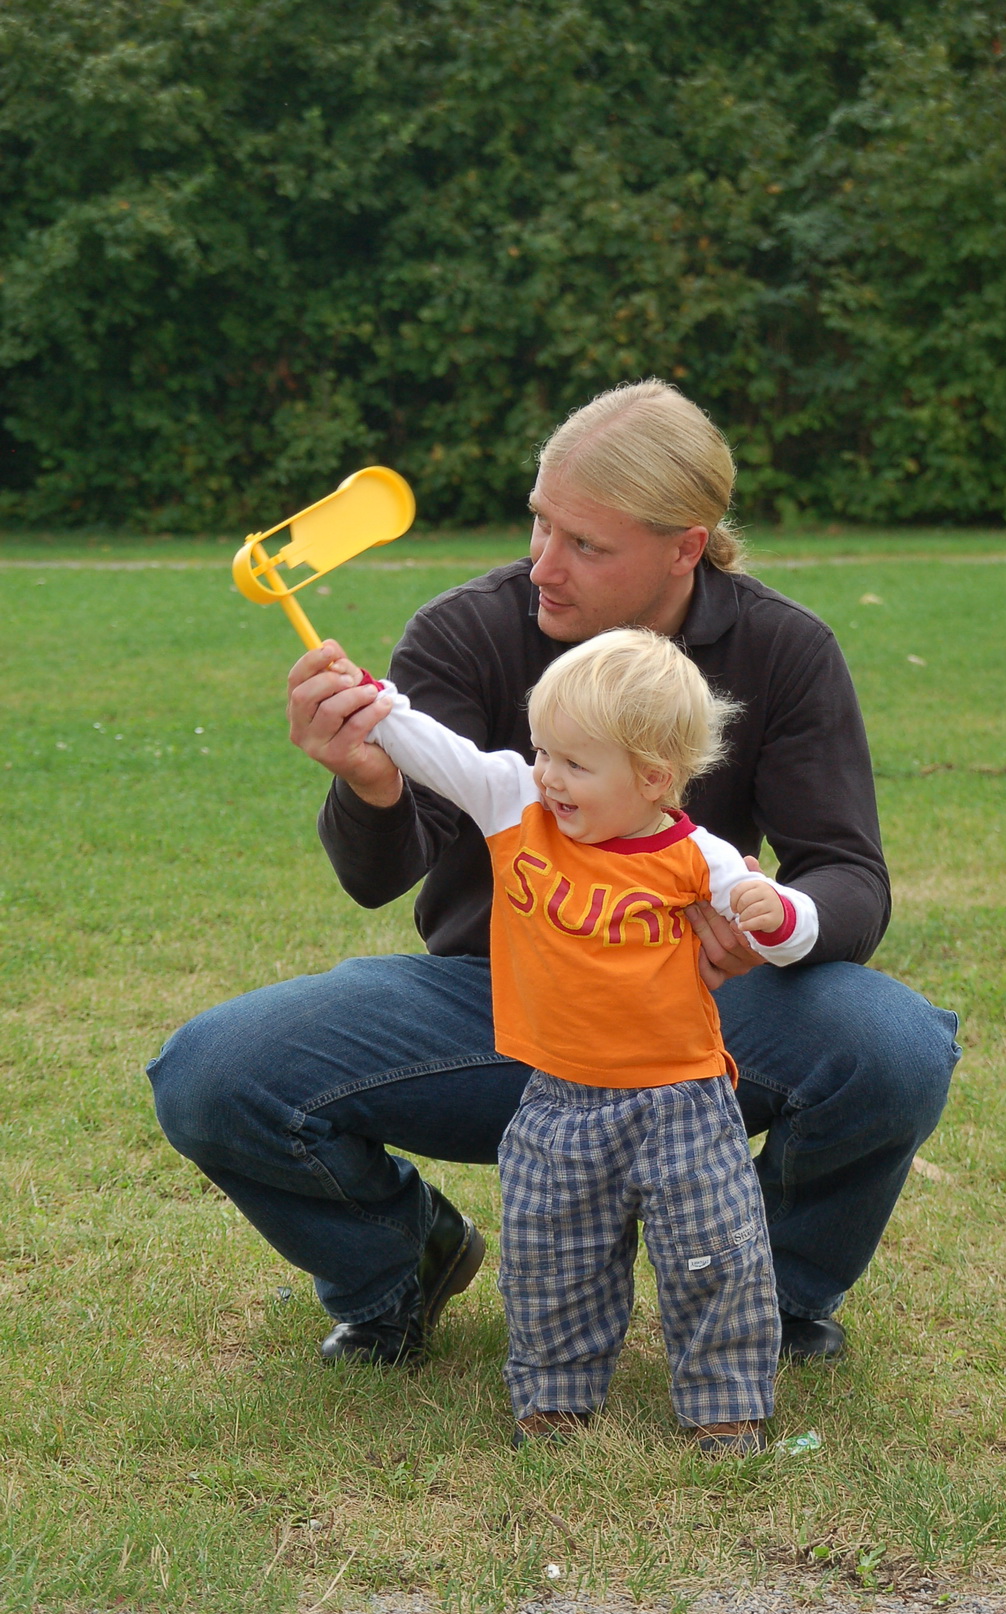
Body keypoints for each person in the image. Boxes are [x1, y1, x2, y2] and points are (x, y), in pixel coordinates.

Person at [148, 379, 960, 1378]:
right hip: (491, 1008)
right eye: (541, 526)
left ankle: (777, 1300)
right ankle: (398, 1267)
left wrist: (773, 922)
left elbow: (850, 877)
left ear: (684, 547)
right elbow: (384, 874)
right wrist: (368, 783)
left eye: (586, 545)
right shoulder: (468, 632)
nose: (545, 566)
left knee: (890, 1043)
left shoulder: (781, 650)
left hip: (690, 1015)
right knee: (212, 1074)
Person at [359, 627, 818, 1453]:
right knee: (550, 1253)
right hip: (559, 1098)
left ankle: (724, 1405)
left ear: (653, 778)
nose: (547, 775)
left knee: (714, 1257)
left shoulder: (696, 857)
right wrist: (372, 704)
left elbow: (784, 928)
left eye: (574, 762)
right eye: (541, 750)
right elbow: (439, 751)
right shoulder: (518, 809)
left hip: (685, 1102)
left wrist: (777, 914)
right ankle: (556, 1398)